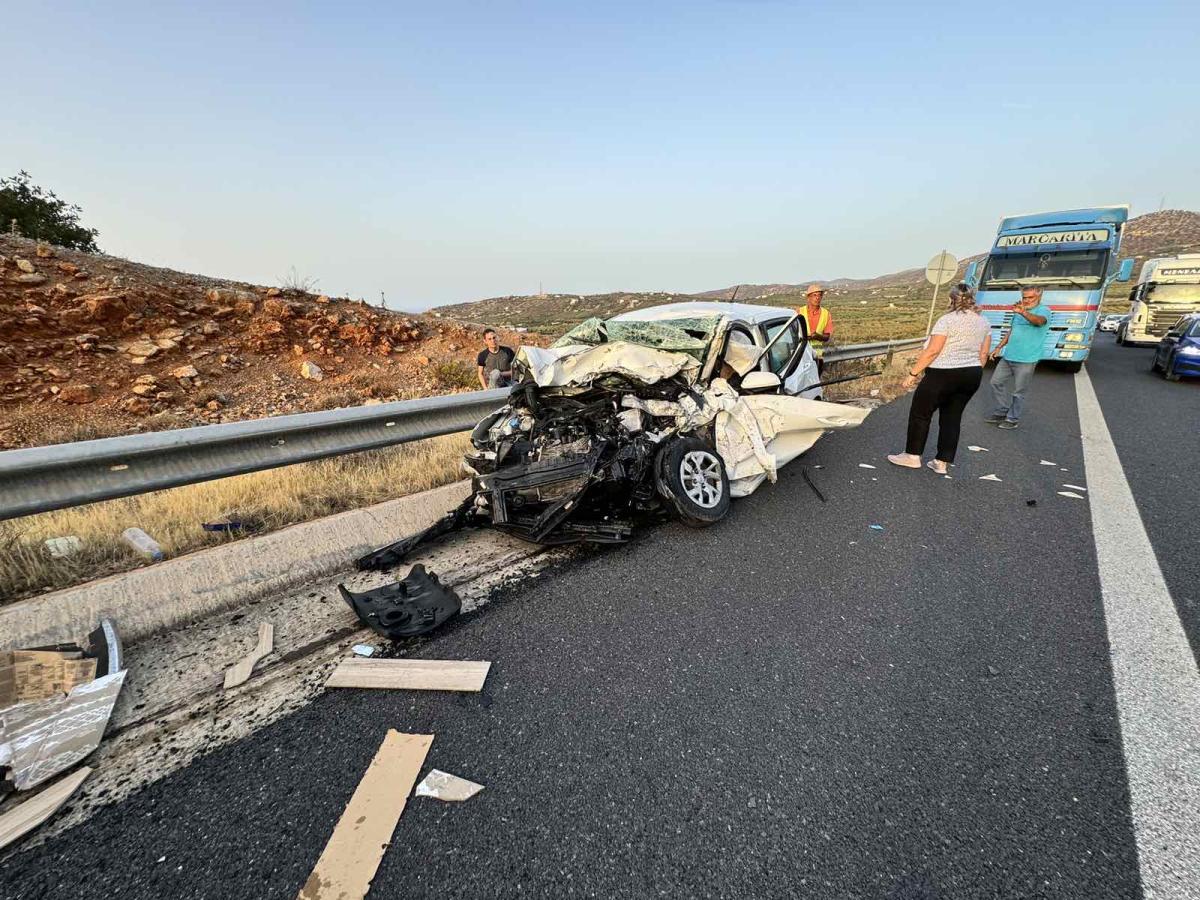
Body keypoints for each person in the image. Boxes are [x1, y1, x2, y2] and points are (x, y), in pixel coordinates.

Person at [887, 283, 991, 475]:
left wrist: (913, 374)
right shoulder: (983, 322)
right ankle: (941, 462)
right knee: (952, 417)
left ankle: (912, 456)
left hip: (943, 373)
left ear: (952, 299)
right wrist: (970, 370)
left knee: (921, 413)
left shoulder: (946, 320)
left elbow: (933, 350)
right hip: (972, 373)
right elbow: (984, 354)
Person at [986, 286, 1050, 429]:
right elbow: (1012, 330)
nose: (1026, 300)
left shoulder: (1043, 310)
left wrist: (1023, 312)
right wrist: (998, 347)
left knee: (1019, 391)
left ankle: (1012, 419)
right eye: (1024, 297)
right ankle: (1002, 410)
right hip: (1009, 356)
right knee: (995, 382)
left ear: (1039, 297)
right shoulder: (1018, 311)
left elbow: (1039, 321)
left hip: (1027, 359)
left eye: (1030, 297)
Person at [796, 283, 834, 374]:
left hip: (817, 357)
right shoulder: (799, 312)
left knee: (815, 385)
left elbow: (827, 336)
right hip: (801, 356)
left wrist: (816, 336)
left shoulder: (826, 314)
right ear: (808, 297)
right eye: (814, 295)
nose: (817, 298)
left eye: (819, 295)